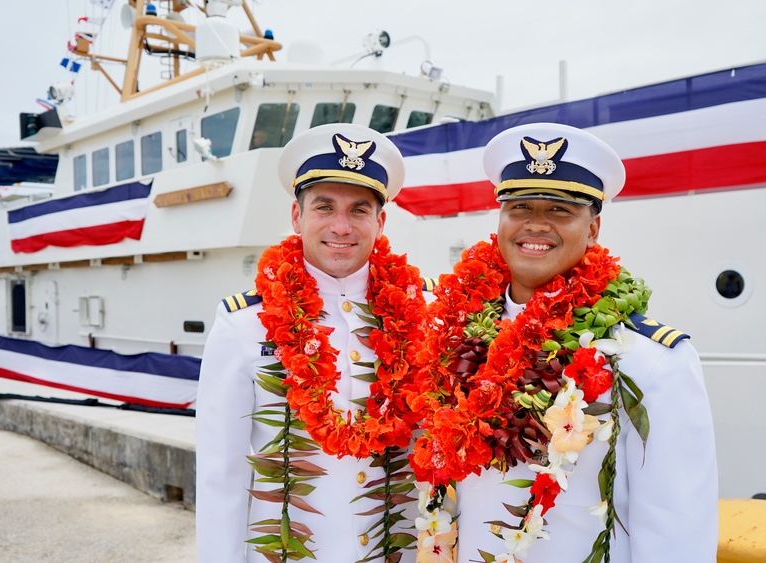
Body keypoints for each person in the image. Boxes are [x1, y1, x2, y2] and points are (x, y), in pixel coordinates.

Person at [407, 123, 718, 562]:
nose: (536, 224)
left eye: (559, 209)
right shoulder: (450, 341)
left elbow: (676, 530)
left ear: (593, 229)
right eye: (519, 207)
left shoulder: (646, 360)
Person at [196, 123, 430, 562]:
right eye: (324, 207)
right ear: (296, 216)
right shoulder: (243, 323)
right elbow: (220, 476)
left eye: (359, 210)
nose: (341, 226)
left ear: (380, 222)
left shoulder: (425, 311)